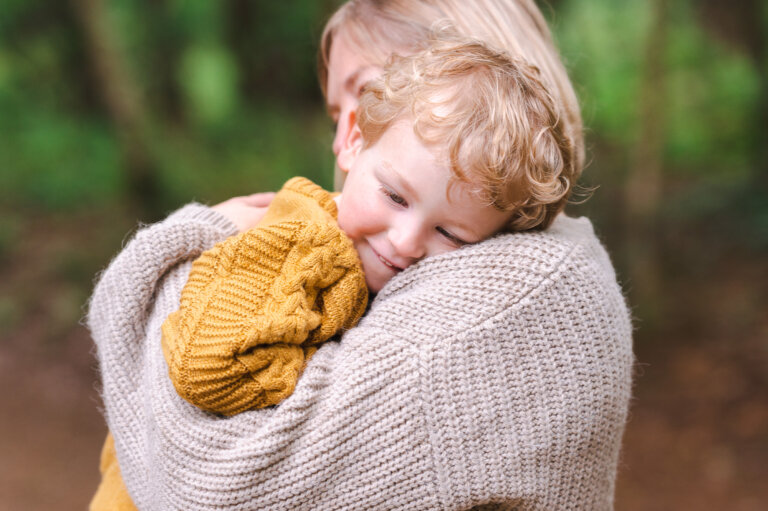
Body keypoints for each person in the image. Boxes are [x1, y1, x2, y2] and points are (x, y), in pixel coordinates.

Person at [89, 1, 634, 510]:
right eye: (339, 111)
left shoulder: (514, 290)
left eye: (367, 88)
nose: (341, 136)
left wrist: (190, 241)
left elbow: (207, 484)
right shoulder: (353, 249)